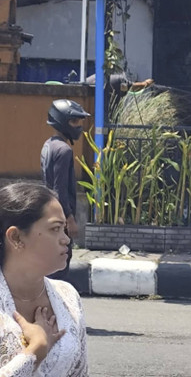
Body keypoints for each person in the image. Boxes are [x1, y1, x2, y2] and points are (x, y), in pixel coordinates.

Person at [0, 182, 88, 375]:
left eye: (64, 228)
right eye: (55, 229)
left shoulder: (68, 296)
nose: (66, 239)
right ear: (16, 237)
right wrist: (35, 351)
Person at [40, 99, 90, 279]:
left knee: (52, 265)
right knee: (61, 266)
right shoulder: (64, 150)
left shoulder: (49, 145)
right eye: (74, 121)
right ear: (61, 121)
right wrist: (69, 218)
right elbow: (59, 188)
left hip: (49, 215)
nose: (79, 126)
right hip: (60, 218)